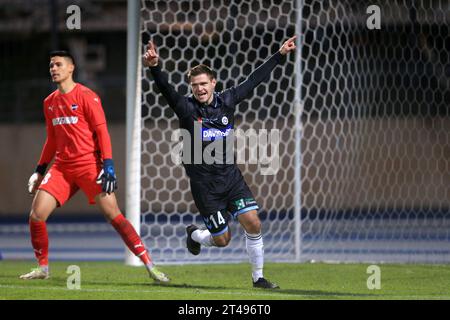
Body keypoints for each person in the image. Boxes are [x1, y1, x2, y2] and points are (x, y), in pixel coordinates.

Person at [143, 36, 296, 289]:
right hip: (206, 187)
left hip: (231, 179)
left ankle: (258, 278)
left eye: (203, 83)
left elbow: (253, 80)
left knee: (253, 222)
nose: (199, 89)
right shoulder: (186, 109)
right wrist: (155, 67)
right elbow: (166, 90)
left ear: (213, 83)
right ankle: (194, 234)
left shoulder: (227, 100)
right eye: (195, 85)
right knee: (223, 239)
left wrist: (279, 55)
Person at [20, 50, 169, 283]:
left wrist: (108, 165)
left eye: (58, 64)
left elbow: (102, 132)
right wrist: (39, 170)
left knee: (114, 215)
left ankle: (150, 265)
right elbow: (51, 140)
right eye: (51, 65)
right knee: (36, 215)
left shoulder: (87, 96)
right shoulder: (49, 103)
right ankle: (43, 268)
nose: (53, 69)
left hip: (90, 165)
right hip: (61, 167)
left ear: (71, 68)